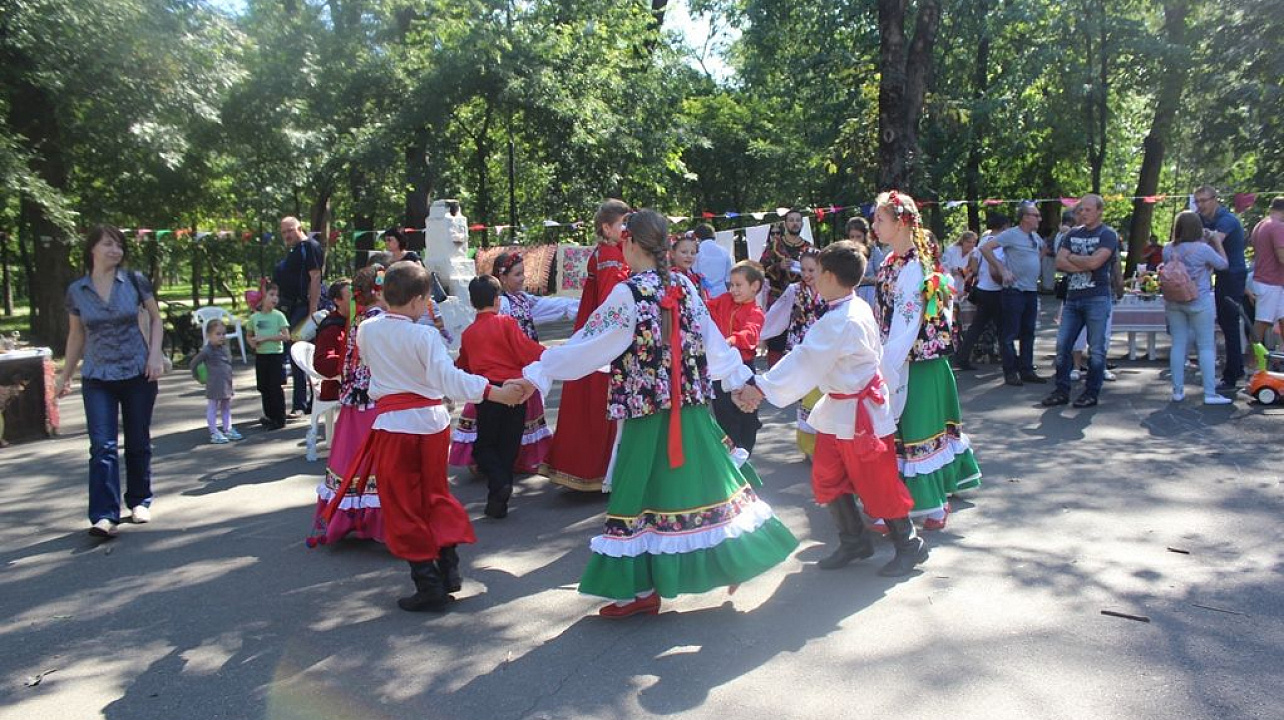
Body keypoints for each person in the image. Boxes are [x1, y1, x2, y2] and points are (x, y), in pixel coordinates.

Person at [520, 209, 799, 618]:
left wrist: (538, 371)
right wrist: (740, 382)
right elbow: (714, 346)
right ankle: (720, 562)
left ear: (632, 244)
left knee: (637, 494)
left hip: (646, 415)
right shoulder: (683, 287)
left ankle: (636, 591)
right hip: (690, 412)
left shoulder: (629, 294)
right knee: (704, 487)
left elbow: (589, 345)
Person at [321, 262, 526, 612]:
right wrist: (494, 392)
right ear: (418, 301)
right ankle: (447, 565)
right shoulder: (424, 335)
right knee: (434, 494)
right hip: (431, 424)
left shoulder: (368, 330)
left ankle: (428, 580)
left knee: (403, 502)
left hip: (394, 425)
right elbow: (448, 380)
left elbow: (373, 366)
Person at [737, 241, 927, 576]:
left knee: (877, 482)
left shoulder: (841, 319)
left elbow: (805, 358)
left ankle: (909, 545)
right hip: (841, 409)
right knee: (827, 475)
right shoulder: (850, 308)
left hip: (860, 414)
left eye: (817, 273)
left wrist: (759, 387)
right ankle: (854, 540)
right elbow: (809, 357)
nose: (812, 280)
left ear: (828, 275)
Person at [874, 191, 982, 531]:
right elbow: (885, 317)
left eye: (880, 219)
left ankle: (932, 506)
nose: (875, 225)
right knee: (900, 432)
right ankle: (900, 503)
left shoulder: (915, 265)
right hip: (898, 357)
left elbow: (907, 324)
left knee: (919, 432)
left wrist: (884, 365)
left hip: (917, 361)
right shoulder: (890, 263)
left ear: (901, 221)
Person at [57, 225, 165, 537]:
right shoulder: (78, 290)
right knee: (101, 446)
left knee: (137, 440)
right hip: (97, 376)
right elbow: (76, 335)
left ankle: (139, 501)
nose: (115, 250)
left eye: (119, 245)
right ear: (92, 249)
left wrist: (154, 354)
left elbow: (155, 318)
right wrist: (64, 377)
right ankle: (104, 515)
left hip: (137, 372)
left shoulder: (134, 280)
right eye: (108, 244)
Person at [450, 251, 577, 475]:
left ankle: (506, 462)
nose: (523, 278)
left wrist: (582, 305)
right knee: (502, 419)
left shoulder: (522, 300)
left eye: (523, 273)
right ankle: (495, 464)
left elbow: (552, 306)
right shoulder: (503, 309)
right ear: (503, 278)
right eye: (518, 274)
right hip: (508, 369)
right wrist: (546, 356)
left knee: (509, 419)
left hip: (519, 367)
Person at [540, 199, 631, 492]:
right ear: (607, 227)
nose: (627, 229)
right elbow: (610, 304)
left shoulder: (612, 252)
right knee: (601, 403)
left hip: (593, 331)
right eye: (623, 224)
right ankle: (600, 470)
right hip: (603, 337)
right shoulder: (610, 257)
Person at [456, 275, 547, 519]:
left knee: (485, 445)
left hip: (489, 394)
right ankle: (499, 494)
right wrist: (551, 356)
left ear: (472, 302)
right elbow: (526, 350)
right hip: (515, 391)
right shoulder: (507, 323)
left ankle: (498, 488)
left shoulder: (469, 333)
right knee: (509, 446)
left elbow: (463, 365)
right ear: (498, 300)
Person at [308, 269, 386, 547]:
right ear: (379, 292)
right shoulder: (378, 320)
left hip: (355, 398)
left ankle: (350, 516)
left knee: (351, 456)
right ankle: (374, 521)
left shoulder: (360, 319)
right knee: (374, 460)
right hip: (373, 399)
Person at [1043, 194, 1119, 408]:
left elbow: (1097, 262)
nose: (1082, 213)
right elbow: (1059, 262)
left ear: (1099, 211)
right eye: (1080, 210)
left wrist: (1075, 259)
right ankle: (1061, 390)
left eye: (1087, 209)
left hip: (1097, 297)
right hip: (1073, 298)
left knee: (1096, 348)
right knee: (1063, 346)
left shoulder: (1108, 235)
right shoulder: (1072, 234)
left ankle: (1091, 392)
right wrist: (1085, 263)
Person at [760, 248, 827, 458]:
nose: (807, 274)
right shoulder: (794, 290)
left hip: (824, 349)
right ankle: (809, 445)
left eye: (811, 270)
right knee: (806, 395)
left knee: (823, 395)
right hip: (801, 347)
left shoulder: (829, 290)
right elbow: (776, 314)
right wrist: (761, 334)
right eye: (804, 269)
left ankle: (825, 444)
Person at [1162, 211, 1231, 404]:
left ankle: (1177, 390)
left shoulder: (1167, 249)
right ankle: (1210, 393)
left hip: (1174, 301)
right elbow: (1223, 265)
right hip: (1199, 301)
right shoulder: (1203, 249)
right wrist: (1216, 241)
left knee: (1178, 345)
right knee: (1206, 346)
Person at [981, 203, 1047, 386]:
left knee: (1028, 332)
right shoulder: (1011, 234)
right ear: (1025, 217)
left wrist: (1034, 262)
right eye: (1036, 215)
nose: (1039, 219)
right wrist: (1002, 269)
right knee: (1009, 333)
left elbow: (1044, 249)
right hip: (1014, 290)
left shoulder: (1034, 237)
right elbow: (985, 248)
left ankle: (1026, 369)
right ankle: (1010, 372)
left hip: (1031, 290)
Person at [1193, 186, 1248, 393]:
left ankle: (1232, 375)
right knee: (1225, 324)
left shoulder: (1227, 220)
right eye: (1197, 201)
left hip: (1232, 274)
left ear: (1215, 199)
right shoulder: (1202, 218)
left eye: (1204, 200)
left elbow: (1215, 244)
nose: (1200, 205)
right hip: (1219, 273)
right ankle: (1237, 368)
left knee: (1230, 324)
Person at [708, 261, 765, 453]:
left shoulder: (755, 312)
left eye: (738, 285)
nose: (733, 289)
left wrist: (733, 339)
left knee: (746, 411)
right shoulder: (724, 300)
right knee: (723, 412)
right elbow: (704, 309)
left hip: (743, 366)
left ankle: (744, 449)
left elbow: (751, 333)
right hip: (720, 366)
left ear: (754, 286)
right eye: (731, 285)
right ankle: (731, 450)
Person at [274, 216, 325, 417]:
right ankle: (301, 402)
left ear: (300, 228)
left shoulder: (309, 246)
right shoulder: (294, 251)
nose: (287, 235)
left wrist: (312, 310)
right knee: (296, 356)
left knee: (300, 353)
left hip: (305, 307)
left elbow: (315, 278)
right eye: (283, 232)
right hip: (291, 307)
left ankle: (304, 402)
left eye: (290, 230)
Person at [954, 217, 1009, 371]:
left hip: (982, 288)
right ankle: (1008, 360)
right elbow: (996, 267)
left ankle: (963, 357)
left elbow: (973, 260)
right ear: (1004, 226)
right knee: (1003, 327)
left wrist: (978, 274)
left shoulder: (984, 241)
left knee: (977, 326)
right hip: (995, 290)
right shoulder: (999, 243)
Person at [759, 211, 811, 366]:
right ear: (785, 224)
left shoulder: (808, 248)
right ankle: (774, 375)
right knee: (776, 338)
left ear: (802, 224)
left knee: (800, 336)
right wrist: (778, 266)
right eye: (791, 220)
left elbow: (817, 271)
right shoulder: (775, 245)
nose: (795, 223)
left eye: (797, 220)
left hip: (800, 299)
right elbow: (761, 268)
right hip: (777, 298)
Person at [190, 318, 242, 444]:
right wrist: (198, 376)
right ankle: (214, 431)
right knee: (213, 406)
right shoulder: (207, 350)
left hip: (225, 383)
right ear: (209, 335)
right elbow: (194, 363)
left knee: (226, 406)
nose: (221, 337)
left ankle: (227, 428)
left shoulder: (223, 348)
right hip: (214, 383)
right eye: (218, 334)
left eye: (223, 334)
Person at [247, 283, 290, 429]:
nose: (275, 298)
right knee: (264, 387)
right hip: (261, 356)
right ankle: (269, 416)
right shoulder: (255, 318)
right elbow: (249, 334)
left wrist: (266, 339)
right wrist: (252, 343)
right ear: (262, 297)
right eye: (271, 295)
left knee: (275, 387)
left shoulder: (279, 316)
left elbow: (285, 336)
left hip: (275, 356)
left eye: (277, 295)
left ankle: (279, 418)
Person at [1246, 197, 1284, 360]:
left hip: (1270, 280)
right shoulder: (1277, 227)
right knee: (1262, 324)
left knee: (1283, 320)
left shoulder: (1260, 225)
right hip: (1270, 282)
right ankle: (1252, 364)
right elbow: (1282, 256)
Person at [849, 217, 884, 312]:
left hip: (871, 294)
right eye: (852, 237)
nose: (855, 240)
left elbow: (882, 277)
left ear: (865, 236)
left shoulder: (873, 251)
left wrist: (865, 280)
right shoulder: (847, 253)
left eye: (858, 236)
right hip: (853, 295)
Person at [693, 223, 733, 299]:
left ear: (697, 237)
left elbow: (694, 274)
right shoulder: (724, 251)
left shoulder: (696, 252)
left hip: (703, 294)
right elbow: (728, 278)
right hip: (722, 293)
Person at [670, 231, 710, 304]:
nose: (689, 256)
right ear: (672, 253)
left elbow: (704, 303)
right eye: (684, 252)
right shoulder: (669, 277)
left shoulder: (697, 279)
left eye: (693, 253)